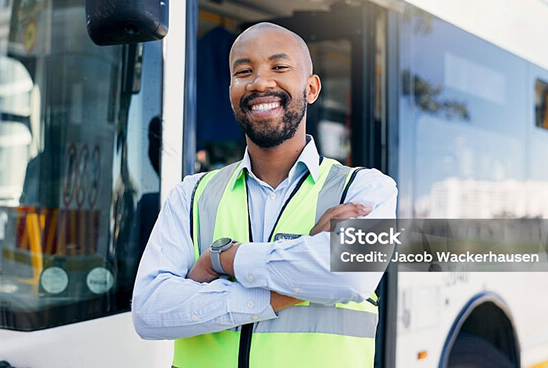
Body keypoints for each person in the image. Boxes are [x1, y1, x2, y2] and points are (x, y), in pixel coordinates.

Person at [132, 22, 397, 368]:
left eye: (279, 67)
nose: (259, 82)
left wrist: (223, 260)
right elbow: (150, 312)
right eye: (244, 71)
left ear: (312, 88)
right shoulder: (191, 194)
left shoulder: (369, 189)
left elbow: (350, 275)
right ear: (230, 91)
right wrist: (293, 277)